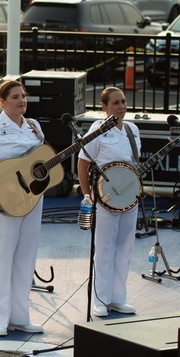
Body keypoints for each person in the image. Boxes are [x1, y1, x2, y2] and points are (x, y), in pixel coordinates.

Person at [0, 79, 46, 337]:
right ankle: (0, 318)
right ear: (2, 102)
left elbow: (40, 161)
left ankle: (20, 316)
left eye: (23, 96)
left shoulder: (34, 128)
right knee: (2, 259)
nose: (21, 100)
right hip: (2, 201)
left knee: (26, 257)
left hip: (32, 199)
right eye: (15, 97)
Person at [76, 87, 142, 317]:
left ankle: (118, 298)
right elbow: (83, 162)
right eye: (115, 103)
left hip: (129, 197)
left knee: (125, 248)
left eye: (123, 102)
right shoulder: (97, 129)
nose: (121, 106)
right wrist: (87, 194)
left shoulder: (132, 130)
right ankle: (100, 299)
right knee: (104, 248)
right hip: (104, 198)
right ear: (104, 107)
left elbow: (134, 164)